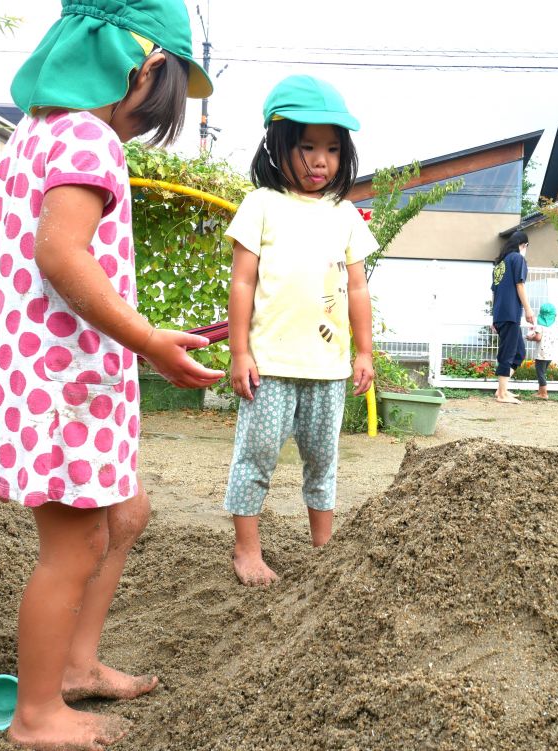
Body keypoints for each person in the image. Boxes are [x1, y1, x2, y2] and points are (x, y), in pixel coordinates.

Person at [0, 2, 223, 748]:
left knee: (123, 515)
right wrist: (148, 341)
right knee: (70, 549)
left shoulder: (30, 138)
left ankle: (75, 666)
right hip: (61, 386)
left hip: (52, 379)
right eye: (158, 108)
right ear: (144, 71)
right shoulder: (90, 140)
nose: (145, 126)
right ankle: (37, 712)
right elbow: (61, 255)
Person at [223, 74, 376, 587]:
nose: (320, 161)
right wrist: (239, 351)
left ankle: (323, 547)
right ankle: (247, 551)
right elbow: (242, 282)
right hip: (269, 365)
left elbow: (357, 290)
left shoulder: (346, 215)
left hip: (327, 369)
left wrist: (364, 353)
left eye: (332, 149)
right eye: (307, 147)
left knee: (323, 460)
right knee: (257, 456)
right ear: (277, 145)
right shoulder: (261, 205)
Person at [491, 230, 535, 404]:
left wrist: (494, 317)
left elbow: (494, 292)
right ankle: (502, 394)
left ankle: (501, 389)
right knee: (508, 353)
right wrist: (528, 310)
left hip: (501, 313)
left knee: (519, 352)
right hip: (510, 313)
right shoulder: (517, 259)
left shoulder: (500, 264)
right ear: (523, 244)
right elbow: (520, 285)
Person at [525, 301, 558, 400]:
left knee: (540, 374)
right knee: (542, 372)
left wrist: (530, 338)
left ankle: (544, 394)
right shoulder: (553, 326)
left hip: (541, 353)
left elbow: (538, 337)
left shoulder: (540, 326)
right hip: (549, 354)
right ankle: (540, 392)